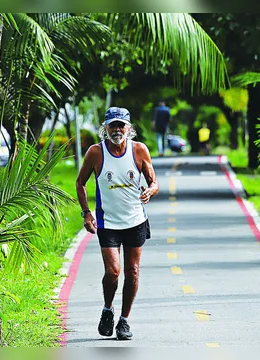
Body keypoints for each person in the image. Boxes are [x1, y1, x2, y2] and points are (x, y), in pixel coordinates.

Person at [75, 106, 159, 340]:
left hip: (135, 221)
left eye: (121, 125)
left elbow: (154, 182)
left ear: (128, 129)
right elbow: (80, 182)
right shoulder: (96, 152)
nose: (117, 130)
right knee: (113, 272)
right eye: (112, 125)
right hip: (108, 222)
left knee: (132, 271)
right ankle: (108, 309)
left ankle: (124, 320)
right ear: (105, 128)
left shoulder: (139, 150)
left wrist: (150, 191)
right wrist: (86, 213)